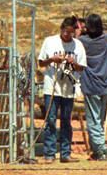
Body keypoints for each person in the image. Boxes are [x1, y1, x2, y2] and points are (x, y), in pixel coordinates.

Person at [36, 15, 86, 162]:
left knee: (66, 120)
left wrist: (74, 63)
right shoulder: (49, 42)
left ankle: (65, 153)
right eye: (66, 33)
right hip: (51, 87)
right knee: (50, 119)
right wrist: (52, 59)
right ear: (61, 29)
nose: (68, 36)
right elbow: (41, 63)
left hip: (68, 88)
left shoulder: (78, 45)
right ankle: (49, 154)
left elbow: (82, 68)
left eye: (71, 34)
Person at [75, 12, 107, 160]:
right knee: (100, 119)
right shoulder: (106, 39)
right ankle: (97, 151)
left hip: (91, 84)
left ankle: (100, 150)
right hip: (105, 84)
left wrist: (81, 31)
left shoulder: (83, 41)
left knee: (93, 120)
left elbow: (75, 42)